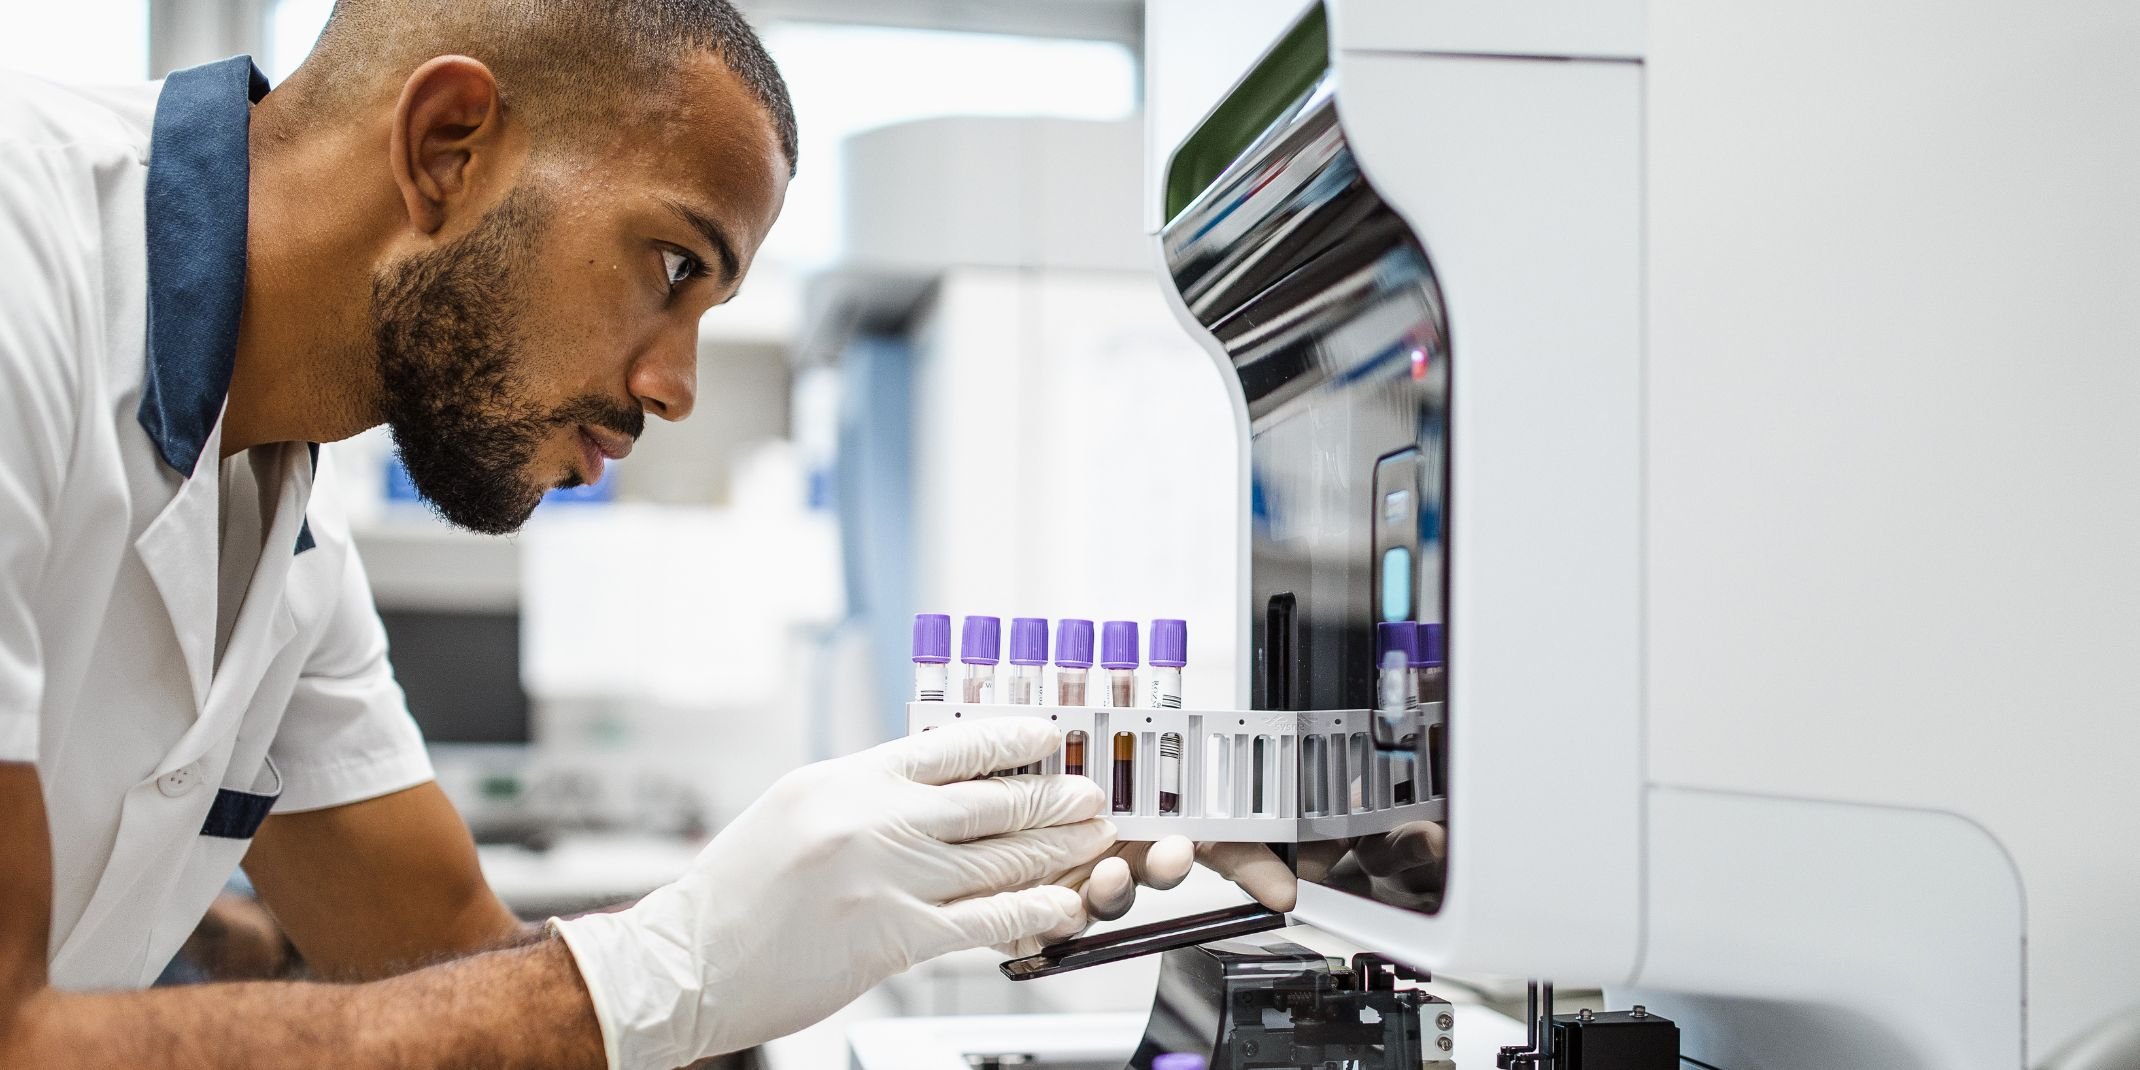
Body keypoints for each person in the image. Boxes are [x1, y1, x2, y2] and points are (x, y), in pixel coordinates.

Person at [0, 2, 1292, 1067]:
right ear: (450, 145)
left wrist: (946, 854)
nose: (676, 385)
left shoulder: (281, 539)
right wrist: (678, 961)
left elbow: (454, 960)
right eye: (675, 264)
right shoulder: (24, 264)